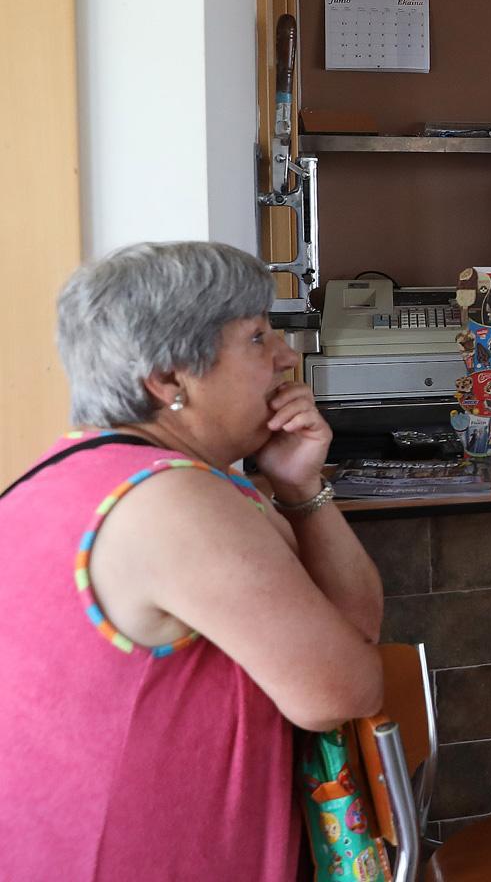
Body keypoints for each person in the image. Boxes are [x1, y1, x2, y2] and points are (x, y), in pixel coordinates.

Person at [0, 242, 385, 880]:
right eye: (257, 337)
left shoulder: (57, 478)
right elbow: (343, 691)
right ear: (169, 380)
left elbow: (351, 635)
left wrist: (299, 488)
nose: (286, 356)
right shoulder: (175, 502)